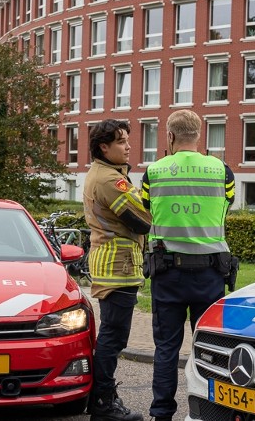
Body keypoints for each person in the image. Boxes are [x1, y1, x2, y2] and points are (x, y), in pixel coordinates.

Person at [141, 109, 235, 421]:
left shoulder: (153, 172)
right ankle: (211, 410)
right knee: (210, 348)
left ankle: (162, 413)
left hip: (167, 274)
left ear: (169, 136)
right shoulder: (222, 171)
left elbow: (144, 206)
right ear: (199, 135)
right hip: (210, 274)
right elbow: (228, 203)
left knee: (166, 347)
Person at [83, 119, 152, 421]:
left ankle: (101, 398)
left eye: (127, 140)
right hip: (116, 268)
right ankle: (103, 403)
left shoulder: (106, 174)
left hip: (116, 265)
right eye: (122, 141)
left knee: (113, 336)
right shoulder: (110, 180)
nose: (128, 146)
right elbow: (142, 220)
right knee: (113, 338)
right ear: (103, 147)